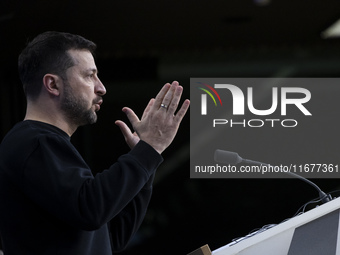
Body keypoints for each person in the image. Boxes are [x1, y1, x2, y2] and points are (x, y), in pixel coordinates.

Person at [0, 31, 190, 255]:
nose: (101, 88)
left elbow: (114, 237)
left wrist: (146, 160)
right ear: (53, 84)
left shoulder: (45, 145)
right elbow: (90, 209)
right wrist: (149, 149)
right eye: (90, 76)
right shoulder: (33, 142)